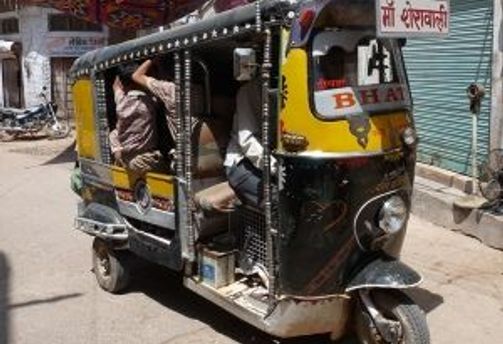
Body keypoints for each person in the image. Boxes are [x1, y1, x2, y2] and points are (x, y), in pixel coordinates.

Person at [224, 79, 277, 206]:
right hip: (242, 163)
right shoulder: (249, 91)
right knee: (278, 199)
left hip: (270, 160)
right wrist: (275, 167)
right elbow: (247, 141)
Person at [109, 64, 164, 174]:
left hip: (127, 160)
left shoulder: (120, 102)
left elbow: (116, 87)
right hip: (146, 160)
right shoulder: (150, 103)